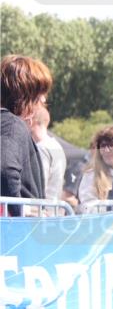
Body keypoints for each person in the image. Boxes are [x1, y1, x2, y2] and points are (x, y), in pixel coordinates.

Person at [1, 55, 50, 214]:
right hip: (17, 234)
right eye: (39, 93)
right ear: (24, 93)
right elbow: (5, 170)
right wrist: (20, 213)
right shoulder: (12, 125)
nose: (43, 99)